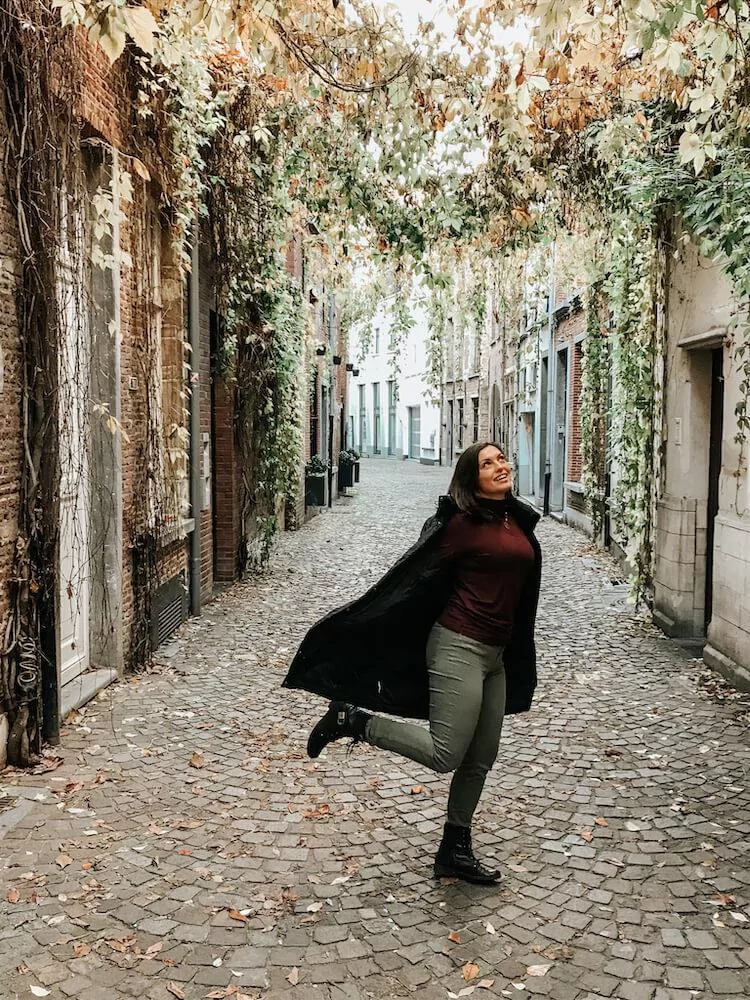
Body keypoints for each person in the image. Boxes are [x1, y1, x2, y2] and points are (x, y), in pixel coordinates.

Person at [282, 442, 542, 885]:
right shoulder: (461, 524)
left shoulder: (514, 517)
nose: (500, 466)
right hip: (457, 646)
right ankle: (353, 720)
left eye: (501, 459)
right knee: (445, 753)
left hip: (497, 655)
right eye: (487, 463)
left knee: (481, 757)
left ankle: (454, 849)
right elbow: (414, 575)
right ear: (470, 477)